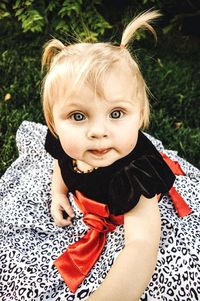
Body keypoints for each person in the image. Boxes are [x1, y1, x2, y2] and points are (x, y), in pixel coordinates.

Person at [0, 10, 199, 301]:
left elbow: (141, 245)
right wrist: (58, 193)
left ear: (140, 115)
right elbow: (62, 164)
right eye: (78, 115)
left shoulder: (136, 173)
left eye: (116, 113)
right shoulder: (66, 142)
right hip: (87, 201)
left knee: (179, 268)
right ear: (54, 123)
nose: (98, 131)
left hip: (126, 216)